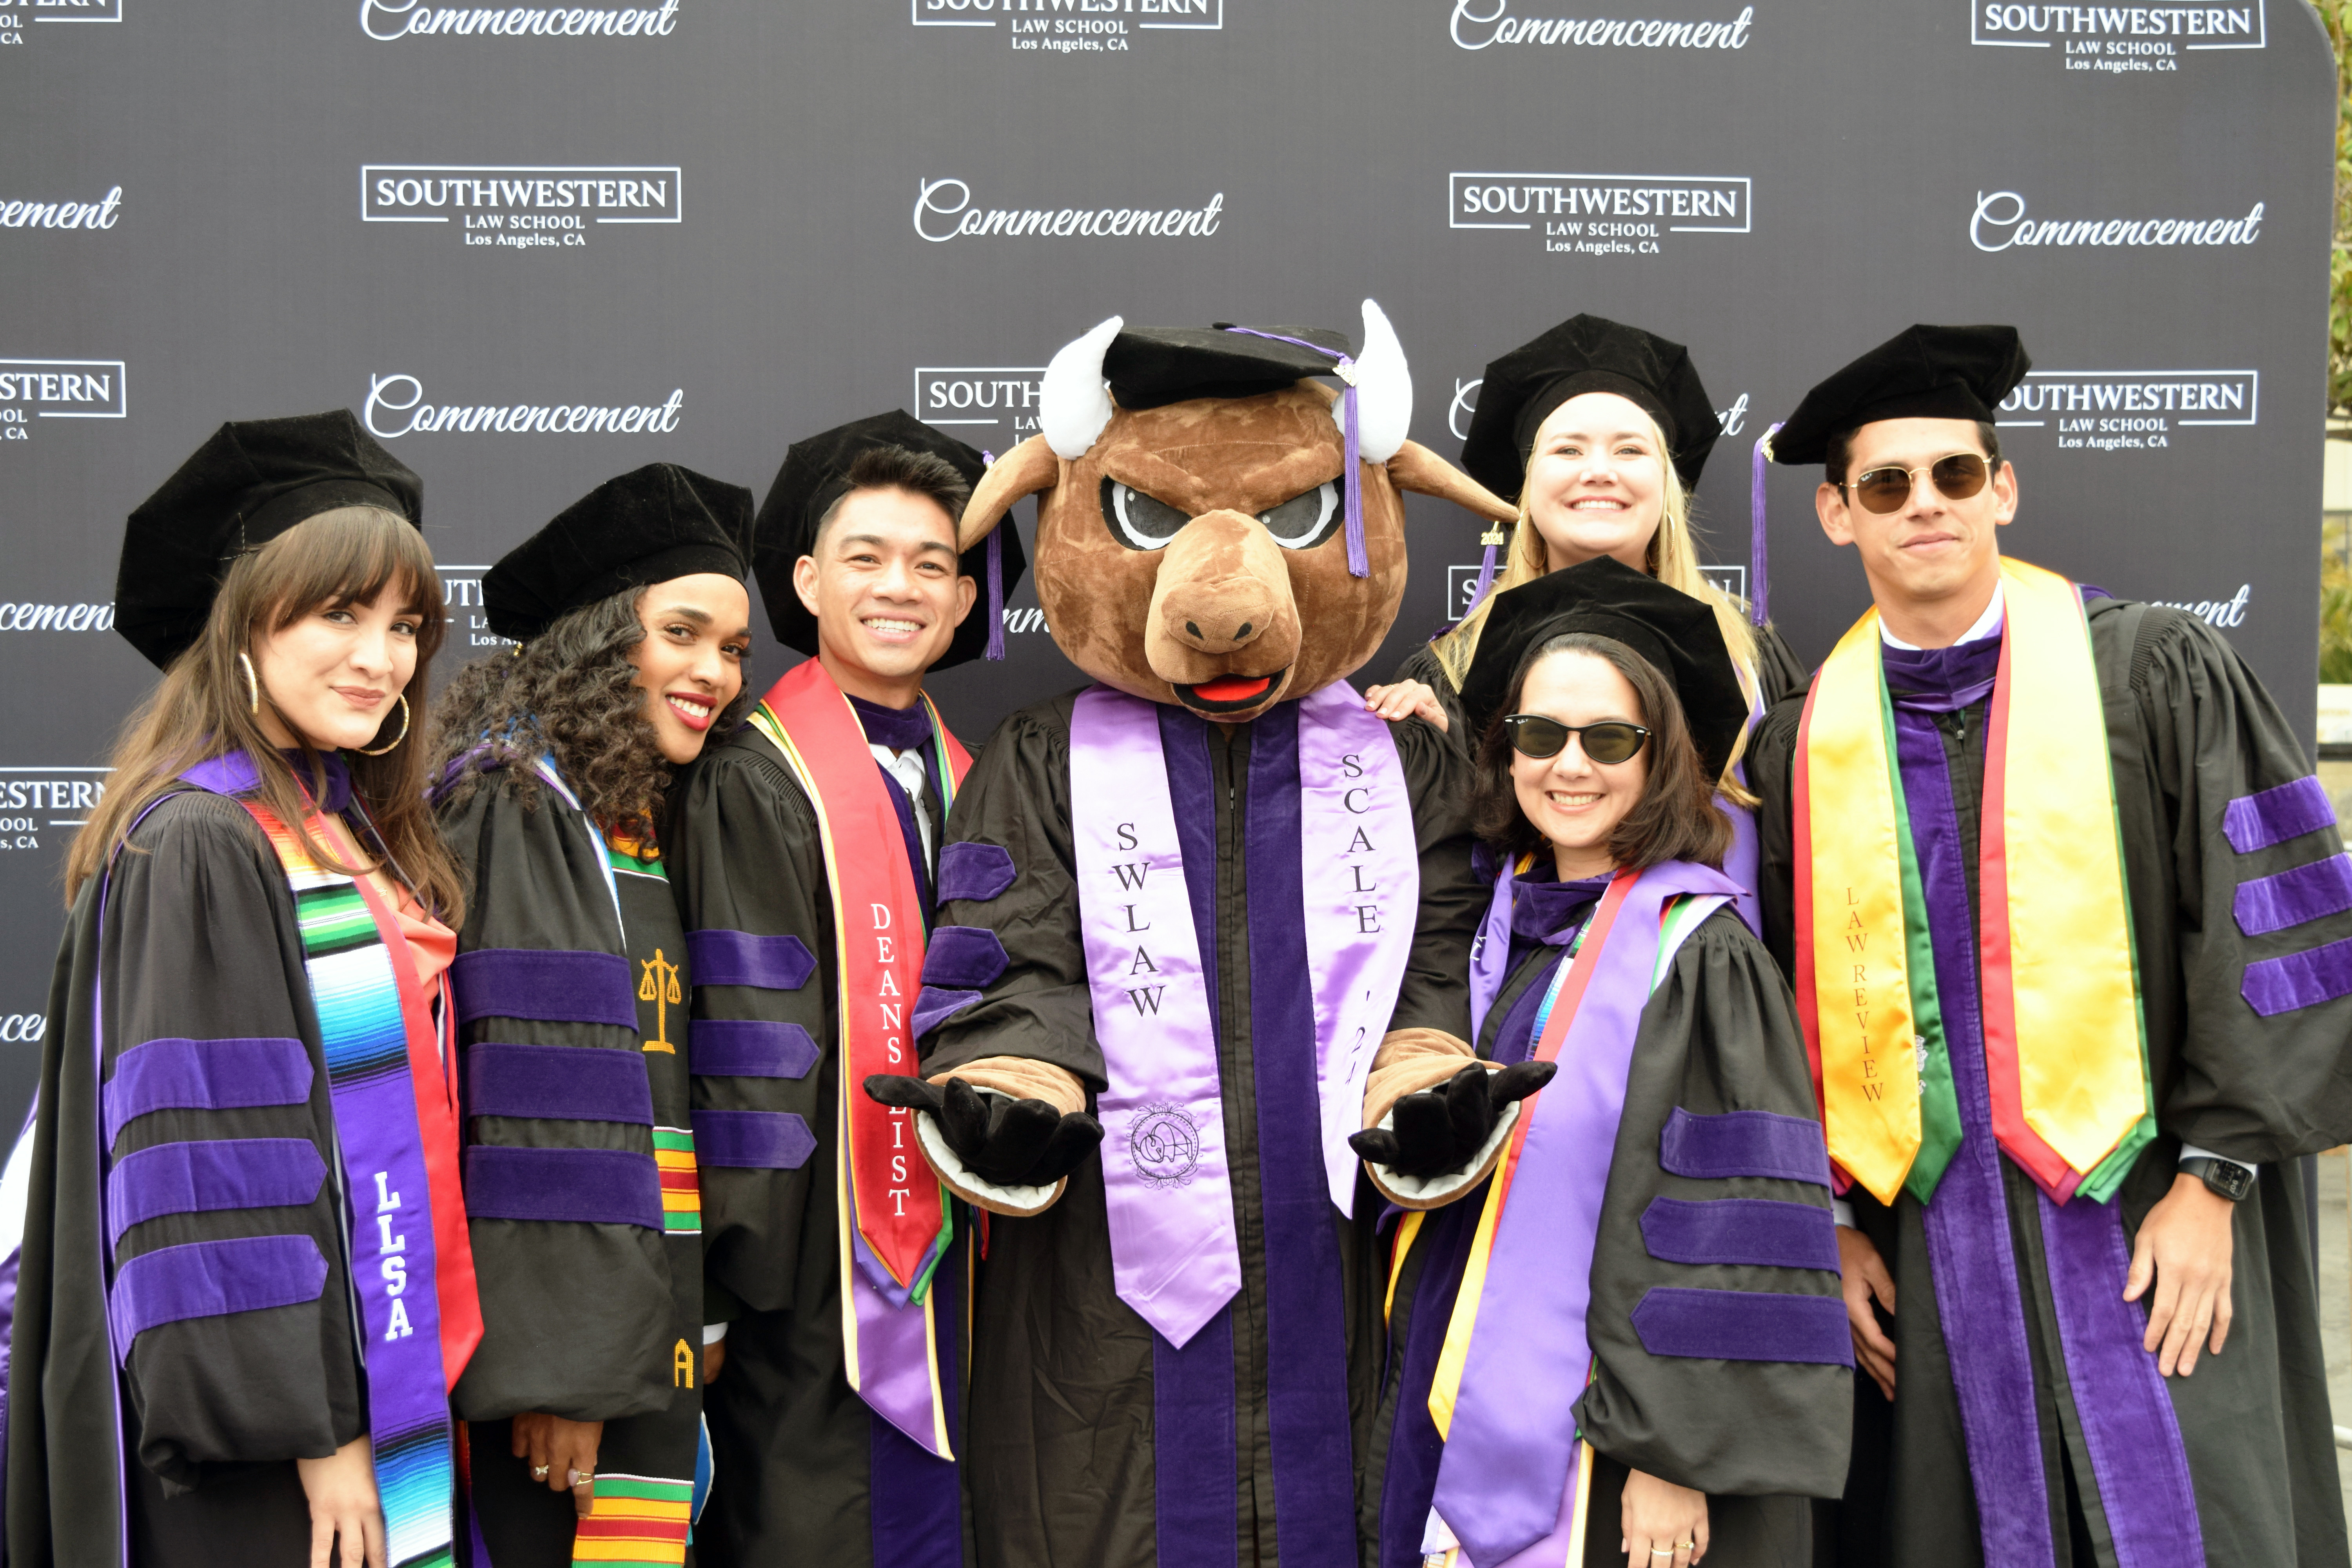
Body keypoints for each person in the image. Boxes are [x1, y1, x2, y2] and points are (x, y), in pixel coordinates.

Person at [871, 308, 1505, 1568]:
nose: (1222, 594)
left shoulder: (1401, 761)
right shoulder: (1042, 757)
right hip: (1110, 1269)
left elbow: (1445, 953)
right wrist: (1017, 1071)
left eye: (1295, 522)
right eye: (1154, 523)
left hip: (1342, 1242)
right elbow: (1010, 949)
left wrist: (1424, 1067)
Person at [1750, 323, 2352, 1568]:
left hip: (2159, 1212)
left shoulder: (2153, 674)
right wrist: (1834, 1222)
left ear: (2003, 488)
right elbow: (1777, 1025)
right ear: (1835, 515)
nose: (1927, 505)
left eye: (1956, 475)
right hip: (1928, 1250)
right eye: (1887, 485)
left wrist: (2214, 1182)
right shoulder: (1805, 749)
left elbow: (2273, 935)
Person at [5, 412, 477, 1568]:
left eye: (405, 624)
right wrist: (317, 1434)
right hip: (275, 1450)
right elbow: (221, 1163)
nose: (382, 657)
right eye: (339, 615)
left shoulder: (329, 830)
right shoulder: (207, 842)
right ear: (241, 631)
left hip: (351, 1383)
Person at [1361, 556, 1851, 1568]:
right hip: (1458, 1390)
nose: (1569, 765)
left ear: (1659, 755)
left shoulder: (1698, 951)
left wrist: (1673, 1454)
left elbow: (1727, 1218)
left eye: (1608, 739)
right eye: (1539, 735)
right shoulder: (1493, 929)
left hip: (1629, 1450)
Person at [665, 410, 1024, 1566]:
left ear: (967, 601)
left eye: (934, 565)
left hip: (971, 1261)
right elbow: (742, 1042)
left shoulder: (987, 781)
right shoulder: (752, 776)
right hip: (808, 1284)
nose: (900, 588)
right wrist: (733, 1287)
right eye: (864, 558)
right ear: (808, 580)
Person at [425, 463, 755, 1565]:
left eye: (734, 650)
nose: (713, 671)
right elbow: (538, 1117)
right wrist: (562, 1368)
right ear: (601, 643)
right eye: (684, 634)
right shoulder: (515, 801)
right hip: (567, 1368)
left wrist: (688, 1319)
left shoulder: (623, 813)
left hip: (641, 1330)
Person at [1365, 316, 1804, 927]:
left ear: (1667, 484)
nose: (1599, 470)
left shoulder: (1753, 659)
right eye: (1567, 449)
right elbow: (1445, 882)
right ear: (1526, 483)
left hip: (1717, 994)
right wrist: (1423, 751)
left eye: (1630, 449)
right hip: (1529, 1001)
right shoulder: (1451, 671)